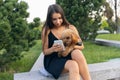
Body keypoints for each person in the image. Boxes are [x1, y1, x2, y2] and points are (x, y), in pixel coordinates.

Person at [41, 4, 91, 80]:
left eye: (60, 18)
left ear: (63, 16)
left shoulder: (71, 28)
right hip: (53, 59)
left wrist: (70, 48)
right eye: (54, 19)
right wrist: (53, 49)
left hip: (68, 55)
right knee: (73, 65)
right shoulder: (47, 30)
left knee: (77, 52)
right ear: (50, 19)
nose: (58, 22)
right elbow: (45, 52)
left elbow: (81, 46)